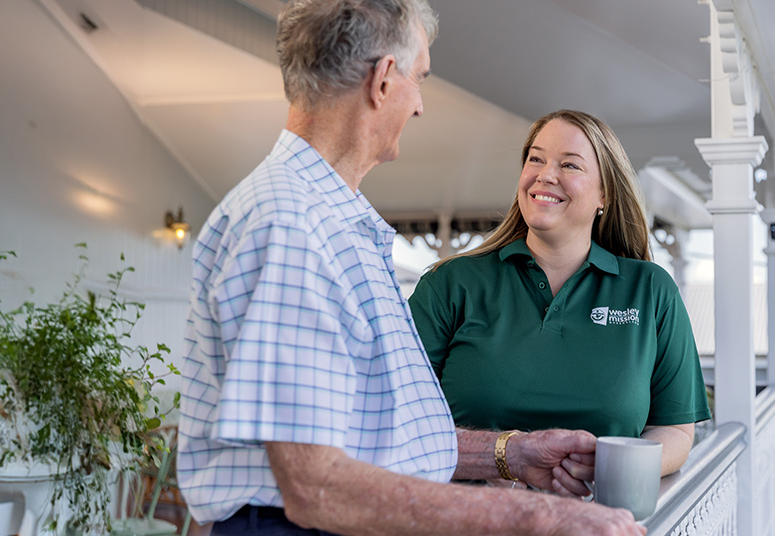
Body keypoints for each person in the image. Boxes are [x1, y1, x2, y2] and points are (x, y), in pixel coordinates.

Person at [177, 1, 645, 534]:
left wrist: (512, 453)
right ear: (382, 80)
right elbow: (315, 486)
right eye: (419, 78)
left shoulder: (328, 218)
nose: (420, 104)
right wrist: (534, 516)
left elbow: (373, 441)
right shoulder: (293, 227)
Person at [408, 109, 712, 479]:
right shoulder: (449, 284)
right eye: (535, 159)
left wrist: (603, 467)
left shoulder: (650, 290)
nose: (545, 175)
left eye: (570, 165)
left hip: (598, 522)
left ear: (605, 194)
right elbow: (399, 416)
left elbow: (676, 430)